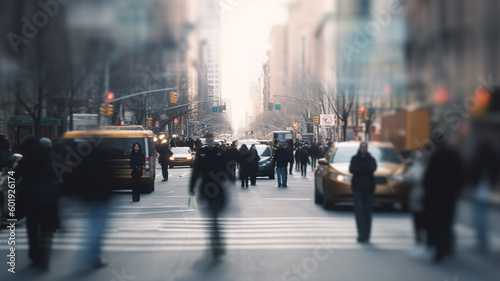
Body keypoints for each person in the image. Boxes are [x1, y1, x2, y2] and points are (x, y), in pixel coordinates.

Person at [16, 137, 60, 270]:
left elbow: (16, 174)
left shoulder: (28, 157)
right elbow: (60, 175)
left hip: (30, 197)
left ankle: (34, 254)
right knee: (46, 228)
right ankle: (44, 254)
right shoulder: (52, 158)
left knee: (32, 226)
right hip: (48, 197)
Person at [423, 141, 464, 262]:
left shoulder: (435, 158)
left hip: (434, 198)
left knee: (436, 223)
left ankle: (438, 249)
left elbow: (428, 179)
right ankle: (447, 246)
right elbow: (460, 177)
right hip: (449, 197)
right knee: (447, 223)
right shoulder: (454, 157)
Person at [189, 133, 229, 257]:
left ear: (213, 140)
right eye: (208, 140)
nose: (210, 142)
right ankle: (215, 244)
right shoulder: (201, 153)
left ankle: (218, 244)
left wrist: (226, 178)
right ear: (206, 141)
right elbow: (196, 171)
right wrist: (192, 186)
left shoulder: (220, 152)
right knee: (212, 219)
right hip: (205, 191)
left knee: (215, 218)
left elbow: (226, 168)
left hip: (218, 189)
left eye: (211, 140)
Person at [349, 141, 377, 243]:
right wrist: (364, 169)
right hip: (358, 189)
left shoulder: (371, 159)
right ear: (359, 148)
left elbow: (372, 168)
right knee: (359, 212)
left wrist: (361, 169)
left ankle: (367, 234)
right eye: (362, 147)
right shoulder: (354, 159)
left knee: (368, 212)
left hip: (369, 189)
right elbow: (352, 169)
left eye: (365, 147)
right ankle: (361, 234)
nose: (363, 149)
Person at [405, 150, 428, 257]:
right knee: (417, 221)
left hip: (425, 199)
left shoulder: (427, 167)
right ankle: (419, 243)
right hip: (416, 199)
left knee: (424, 222)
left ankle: (425, 243)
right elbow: (408, 178)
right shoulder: (416, 167)